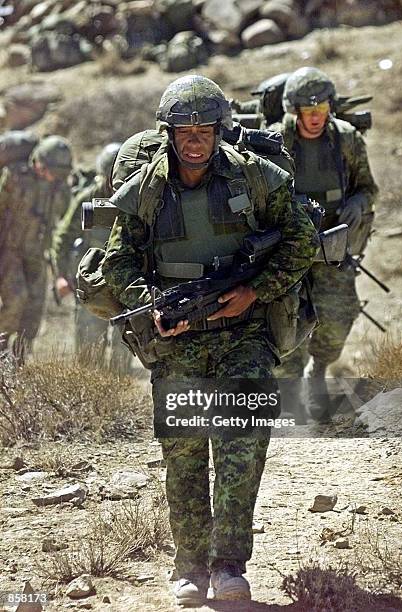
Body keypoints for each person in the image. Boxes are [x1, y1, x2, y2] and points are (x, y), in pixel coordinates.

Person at [102, 75, 318, 604]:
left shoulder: (257, 177)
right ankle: (189, 569)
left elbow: (303, 239)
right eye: (183, 130)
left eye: (204, 128)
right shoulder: (146, 189)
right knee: (184, 454)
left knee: (242, 449)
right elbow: (118, 260)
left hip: (245, 332)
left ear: (220, 128)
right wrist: (152, 304)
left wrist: (254, 290)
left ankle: (229, 566)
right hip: (178, 340)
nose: (194, 139)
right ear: (168, 133)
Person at [269, 67, 379, 421]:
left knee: (336, 320)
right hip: (287, 253)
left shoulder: (346, 139)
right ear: (294, 111)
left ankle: (318, 374)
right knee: (285, 323)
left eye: (322, 110)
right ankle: (290, 399)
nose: (316, 118)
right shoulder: (273, 143)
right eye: (308, 111)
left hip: (334, 252)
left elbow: (368, 188)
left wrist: (357, 206)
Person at [52, 143, 132, 373]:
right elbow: (63, 237)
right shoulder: (89, 198)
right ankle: (89, 393)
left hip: (125, 283)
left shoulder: (136, 199)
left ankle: (117, 393)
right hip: (92, 284)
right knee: (89, 346)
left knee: (123, 346)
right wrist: (61, 276)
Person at [0, 134, 73, 353]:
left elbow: (64, 216)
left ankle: (20, 359)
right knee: (16, 300)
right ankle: (1, 348)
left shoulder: (59, 187)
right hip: (10, 251)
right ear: (38, 162)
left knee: (34, 309)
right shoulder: (14, 176)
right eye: (50, 171)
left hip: (37, 253)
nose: (52, 177)